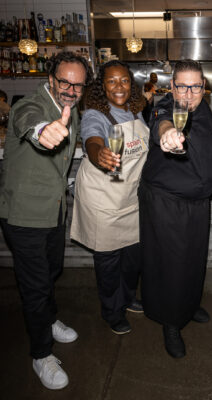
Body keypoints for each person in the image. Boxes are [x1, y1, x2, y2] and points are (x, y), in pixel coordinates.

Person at [0, 52, 92, 390]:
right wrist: (42, 131)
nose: (70, 89)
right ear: (51, 78)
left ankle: (48, 318)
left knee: (51, 270)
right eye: (64, 81)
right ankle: (41, 354)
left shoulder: (73, 109)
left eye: (78, 85)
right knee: (36, 285)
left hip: (53, 210)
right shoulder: (30, 104)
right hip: (24, 215)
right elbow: (29, 119)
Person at [138, 60, 212, 358]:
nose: (188, 93)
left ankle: (187, 306)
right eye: (182, 86)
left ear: (203, 87)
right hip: (166, 202)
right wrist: (168, 135)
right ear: (172, 87)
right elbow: (162, 123)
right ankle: (170, 322)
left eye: (195, 86)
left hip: (197, 203)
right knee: (171, 265)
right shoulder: (166, 107)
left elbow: (205, 143)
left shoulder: (204, 109)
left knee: (193, 260)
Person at [70, 60, 149, 335]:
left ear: (131, 83)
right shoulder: (95, 113)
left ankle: (126, 298)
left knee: (132, 258)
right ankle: (111, 311)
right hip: (103, 198)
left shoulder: (136, 111)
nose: (119, 87)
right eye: (112, 81)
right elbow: (93, 139)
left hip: (128, 197)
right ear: (101, 86)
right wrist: (98, 153)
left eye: (124, 80)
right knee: (108, 261)